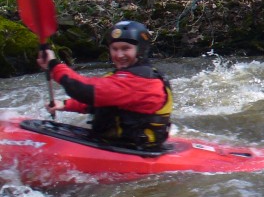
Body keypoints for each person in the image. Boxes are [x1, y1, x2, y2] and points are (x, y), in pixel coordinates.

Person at [37, 21, 173, 150]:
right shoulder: (128, 76)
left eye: (126, 48)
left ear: (140, 50)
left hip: (134, 149)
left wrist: (53, 65)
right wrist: (65, 104)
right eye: (114, 49)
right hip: (125, 145)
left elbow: (83, 90)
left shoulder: (140, 81)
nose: (119, 55)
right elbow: (103, 100)